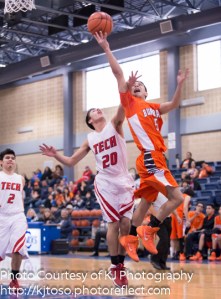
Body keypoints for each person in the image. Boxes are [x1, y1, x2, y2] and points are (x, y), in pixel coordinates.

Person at [94, 31, 189, 262]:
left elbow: (175, 103)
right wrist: (107, 48)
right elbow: (118, 74)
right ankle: (150, 230)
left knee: (146, 201)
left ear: (147, 92)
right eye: (135, 86)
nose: (138, 87)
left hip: (154, 158)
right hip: (150, 158)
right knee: (176, 199)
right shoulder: (129, 103)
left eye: (141, 87)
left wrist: (179, 85)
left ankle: (130, 239)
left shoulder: (154, 107)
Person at [39, 105, 134, 287]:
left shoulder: (114, 125)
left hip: (123, 180)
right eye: (93, 110)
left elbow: (123, 108)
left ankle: (121, 262)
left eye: (99, 109)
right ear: (90, 120)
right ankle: (115, 265)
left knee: (126, 224)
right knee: (114, 223)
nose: (98, 109)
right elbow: (71, 161)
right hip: (105, 182)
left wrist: (125, 88)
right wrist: (56, 155)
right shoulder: (90, 139)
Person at [0, 148, 29, 290]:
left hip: (18, 216)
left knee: (18, 248)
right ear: (1, 162)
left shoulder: (21, 179)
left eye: (12, 157)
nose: (10, 159)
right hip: (1, 217)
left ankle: (14, 280)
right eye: (7, 158)